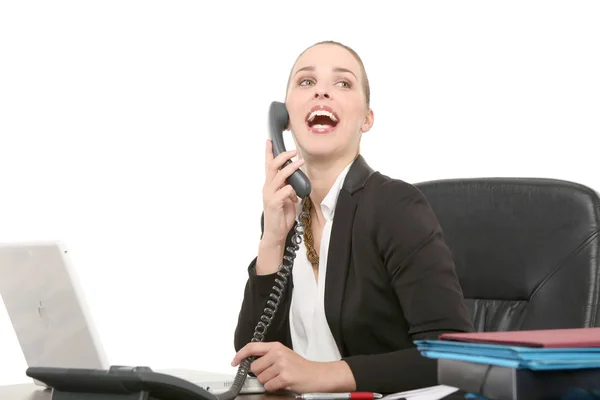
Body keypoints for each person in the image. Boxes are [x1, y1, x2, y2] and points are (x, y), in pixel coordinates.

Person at [231, 40, 474, 395]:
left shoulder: (395, 207)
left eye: (343, 83)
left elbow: (453, 356)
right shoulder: (283, 213)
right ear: (284, 117)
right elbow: (253, 360)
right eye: (306, 82)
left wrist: (321, 374)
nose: (323, 93)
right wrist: (272, 242)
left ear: (366, 118)